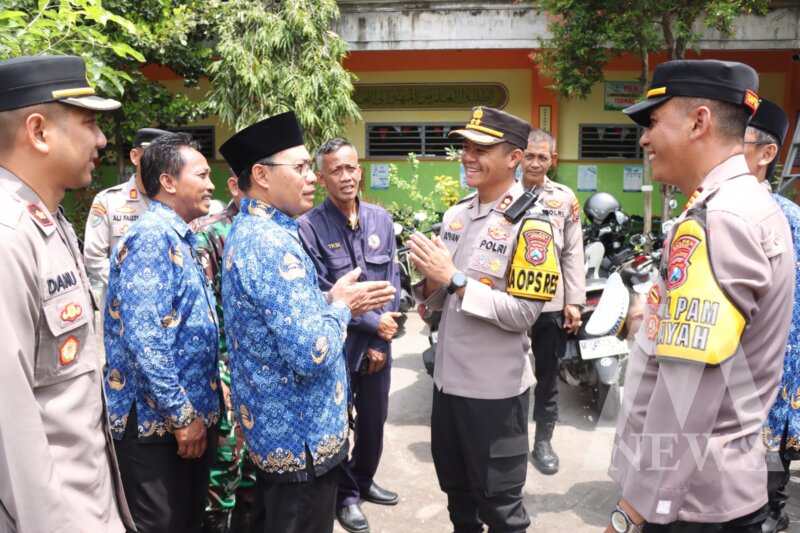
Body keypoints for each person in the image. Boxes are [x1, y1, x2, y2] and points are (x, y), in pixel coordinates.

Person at [604, 60, 794, 533]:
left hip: (693, 503)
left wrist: (631, 512)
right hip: (711, 488)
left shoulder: (719, 219)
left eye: (653, 121)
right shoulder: (744, 203)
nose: (645, 138)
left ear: (699, 121)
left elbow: (687, 394)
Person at [218, 111, 396, 533]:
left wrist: (329, 297)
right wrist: (342, 308)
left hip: (286, 439)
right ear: (261, 175)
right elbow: (311, 351)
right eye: (299, 168)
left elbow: (279, 310)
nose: (311, 177)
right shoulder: (270, 243)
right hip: (301, 446)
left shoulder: (262, 231)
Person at [0, 54, 133, 532]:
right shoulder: (9, 237)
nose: (100, 139)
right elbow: (10, 430)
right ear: (38, 131)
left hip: (91, 504)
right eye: (89, 122)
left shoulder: (50, 222)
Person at [409, 106, 552, 532]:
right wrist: (428, 285)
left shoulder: (534, 222)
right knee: (459, 502)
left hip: (494, 395)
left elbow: (524, 313)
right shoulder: (456, 215)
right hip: (448, 386)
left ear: (515, 158)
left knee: (502, 511)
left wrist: (451, 278)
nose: (468, 156)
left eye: (481, 148)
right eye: (466, 147)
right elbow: (437, 301)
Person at [103, 132, 220, 533]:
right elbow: (145, 337)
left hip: (179, 425)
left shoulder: (178, 235)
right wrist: (182, 415)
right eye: (201, 175)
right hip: (158, 428)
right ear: (169, 182)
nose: (211, 184)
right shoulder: (152, 236)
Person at [298, 138, 402, 533]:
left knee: (375, 420)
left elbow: (392, 280)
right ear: (322, 178)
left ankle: (364, 478)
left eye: (351, 168)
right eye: (336, 171)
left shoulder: (381, 220)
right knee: (338, 424)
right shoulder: (308, 227)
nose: (346, 177)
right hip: (337, 344)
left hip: (378, 343)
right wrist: (374, 325)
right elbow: (323, 289)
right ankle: (346, 497)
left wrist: (380, 338)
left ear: (360, 170)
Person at [193, 172, 258, 533]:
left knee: (254, 478)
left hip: (259, 375)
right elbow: (205, 321)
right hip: (225, 374)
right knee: (224, 475)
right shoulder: (211, 234)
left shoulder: (276, 231)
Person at [743, 98, 796, 533]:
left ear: (766, 154)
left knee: (772, 444)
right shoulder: (705, 207)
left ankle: (772, 513)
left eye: (737, 143)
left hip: (777, 360)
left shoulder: (790, 218)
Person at [521, 128, 585, 475]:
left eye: (541, 157)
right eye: (529, 155)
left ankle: (543, 441)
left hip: (549, 304)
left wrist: (573, 301)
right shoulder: (504, 193)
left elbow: (573, 251)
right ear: (519, 156)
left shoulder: (564, 199)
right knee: (507, 375)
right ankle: (510, 438)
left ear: (552, 160)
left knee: (547, 377)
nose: (534, 162)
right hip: (508, 305)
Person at [84, 127, 168, 309]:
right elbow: (94, 258)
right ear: (135, 156)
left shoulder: (176, 202)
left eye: (167, 158)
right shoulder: (109, 201)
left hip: (166, 308)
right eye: (154, 155)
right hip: (121, 309)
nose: (160, 163)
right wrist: (134, 285)